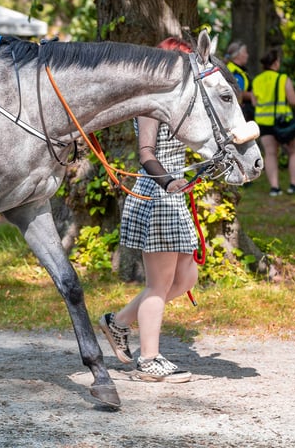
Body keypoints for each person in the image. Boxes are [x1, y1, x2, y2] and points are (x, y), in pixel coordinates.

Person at [98, 40, 198, 383]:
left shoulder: (177, 103)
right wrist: (167, 182)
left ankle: (119, 322)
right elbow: (145, 153)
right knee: (159, 285)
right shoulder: (149, 104)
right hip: (158, 194)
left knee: (187, 278)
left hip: (175, 194)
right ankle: (149, 360)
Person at [252, 48, 295, 196]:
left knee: (270, 153)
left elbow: (254, 101)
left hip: (263, 123)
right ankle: (294, 185)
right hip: (282, 123)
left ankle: (275, 188)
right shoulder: (283, 78)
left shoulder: (257, 80)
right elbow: (293, 100)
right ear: (276, 63)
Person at [225, 41, 255, 121]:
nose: (247, 55)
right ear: (237, 55)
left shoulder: (237, 69)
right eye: (245, 52)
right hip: (237, 112)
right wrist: (252, 95)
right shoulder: (233, 71)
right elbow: (237, 92)